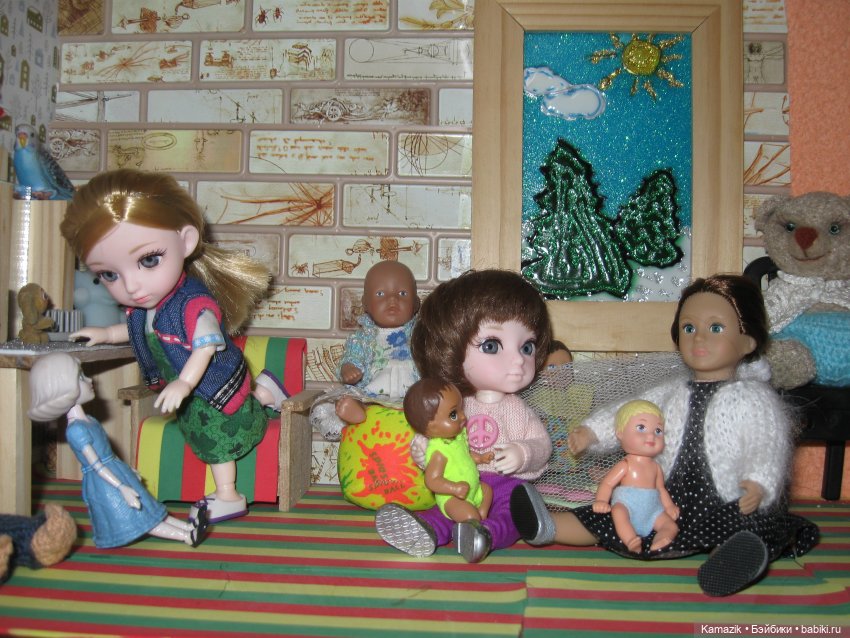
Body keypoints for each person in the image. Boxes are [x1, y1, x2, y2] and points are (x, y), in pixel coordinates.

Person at [510, 274, 820, 596]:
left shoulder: (754, 398)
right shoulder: (672, 391)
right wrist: (592, 432)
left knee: (751, 523)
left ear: (748, 342)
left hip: (728, 498)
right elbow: (630, 413)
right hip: (668, 496)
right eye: (689, 328)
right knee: (612, 514)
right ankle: (548, 525)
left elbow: (766, 447)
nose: (699, 338)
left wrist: (758, 483)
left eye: (716, 328)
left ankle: (729, 560)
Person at [60, 168, 280, 524]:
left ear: (186, 241)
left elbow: (206, 347)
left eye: (149, 260)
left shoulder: (195, 305)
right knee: (206, 425)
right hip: (190, 391)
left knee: (215, 440)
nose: (132, 285)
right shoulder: (144, 307)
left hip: (212, 385)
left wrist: (184, 384)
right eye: (109, 275)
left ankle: (229, 494)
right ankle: (266, 392)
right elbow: (134, 330)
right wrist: (104, 334)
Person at [375, 269, 553, 563]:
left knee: (510, 511)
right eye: (491, 346)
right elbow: (439, 439)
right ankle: (426, 529)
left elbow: (542, 445)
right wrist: (423, 450)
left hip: (506, 482)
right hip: (462, 479)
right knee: (444, 508)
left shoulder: (517, 410)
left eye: (527, 347)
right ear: (451, 349)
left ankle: (485, 534)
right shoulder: (458, 404)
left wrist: (523, 453)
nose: (519, 360)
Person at [28, 352, 209, 548]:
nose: (90, 380)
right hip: (105, 483)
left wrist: (127, 470)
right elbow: (96, 465)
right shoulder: (76, 430)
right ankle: (186, 536)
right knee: (140, 519)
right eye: (80, 377)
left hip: (115, 470)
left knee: (150, 509)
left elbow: (107, 453)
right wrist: (121, 487)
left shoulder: (89, 421)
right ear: (64, 388)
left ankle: (189, 527)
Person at [335, 260, 420, 425]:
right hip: (372, 396)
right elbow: (352, 357)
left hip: (413, 398)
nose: (392, 300)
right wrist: (349, 368)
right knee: (350, 396)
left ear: (416, 303)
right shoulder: (361, 339)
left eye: (402, 293)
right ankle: (358, 412)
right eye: (380, 294)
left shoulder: (421, 336)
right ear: (365, 303)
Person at [404, 378, 494, 523]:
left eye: (461, 409)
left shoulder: (458, 437)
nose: (463, 416)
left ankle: (482, 515)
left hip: (474, 489)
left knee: (487, 490)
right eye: (453, 415)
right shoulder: (439, 452)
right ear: (431, 427)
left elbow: (465, 455)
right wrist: (454, 488)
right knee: (470, 517)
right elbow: (432, 480)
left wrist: (480, 458)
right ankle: (470, 524)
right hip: (452, 498)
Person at [594, 400, 678, 553]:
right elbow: (607, 484)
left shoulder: (656, 467)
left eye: (658, 430)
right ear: (620, 434)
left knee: (671, 525)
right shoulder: (626, 464)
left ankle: (662, 538)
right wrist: (601, 501)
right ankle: (630, 540)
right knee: (618, 512)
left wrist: (669, 506)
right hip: (627, 505)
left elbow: (661, 489)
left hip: (653, 509)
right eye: (641, 428)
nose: (651, 436)